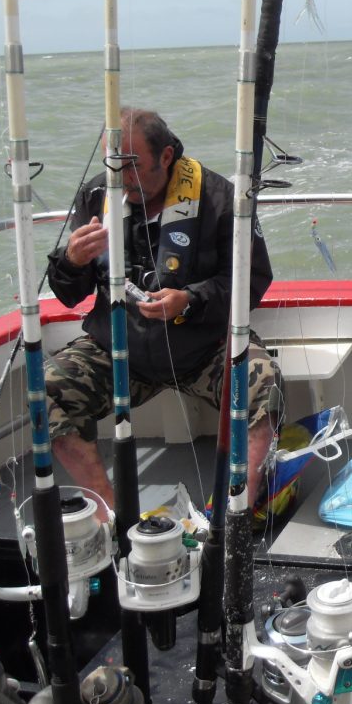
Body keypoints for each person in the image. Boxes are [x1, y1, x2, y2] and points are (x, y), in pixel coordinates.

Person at [44, 107, 281, 518]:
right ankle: (110, 514)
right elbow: (69, 294)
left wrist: (189, 300)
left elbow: (253, 280)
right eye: (113, 163)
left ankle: (238, 509)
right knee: (45, 389)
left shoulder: (220, 198)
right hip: (119, 350)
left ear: (166, 156)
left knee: (265, 383)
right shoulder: (95, 197)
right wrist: (71, 261)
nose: (122, 177)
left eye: (132, 164)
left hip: (203, 349)